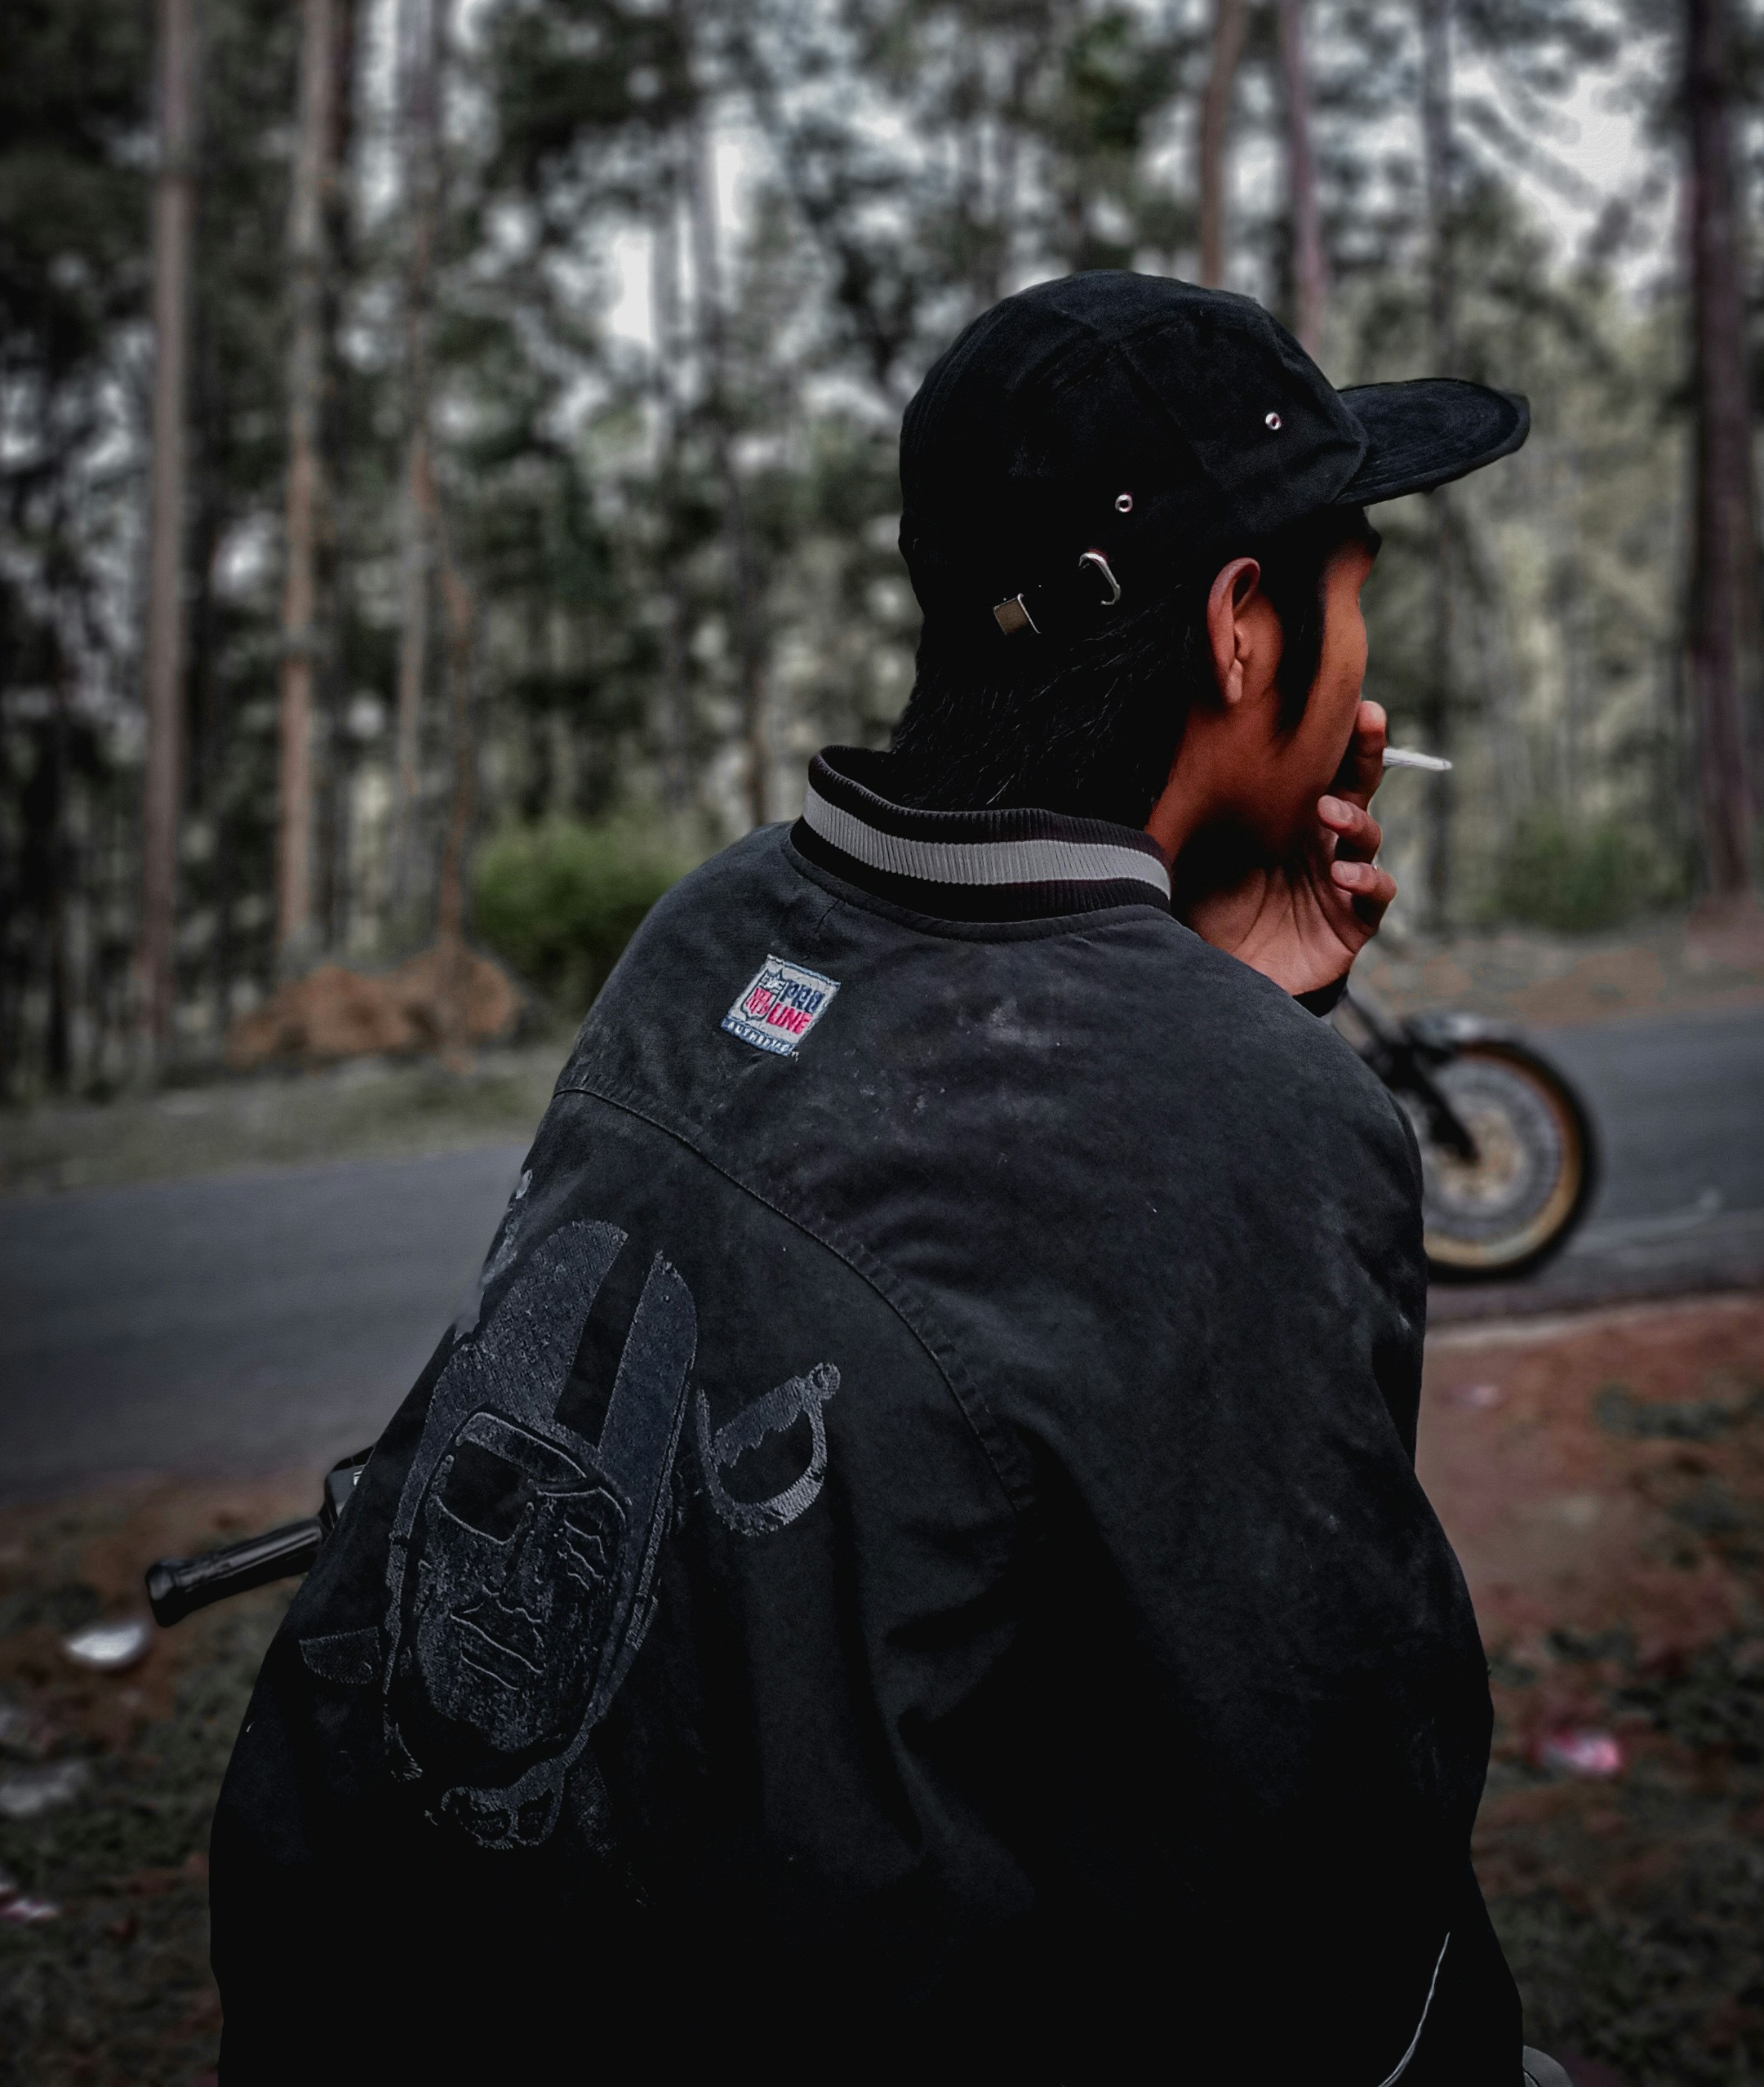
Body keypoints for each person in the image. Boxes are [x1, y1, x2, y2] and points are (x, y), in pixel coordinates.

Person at [211, 269, 1570, 2085]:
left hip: (368, 1977)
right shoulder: (1248, 1118)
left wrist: (1211, 1003)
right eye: (1351, 606)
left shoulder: (721, 922)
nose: (1365, 674)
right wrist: (1233, 1056)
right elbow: (1327, 1852)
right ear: (1245, 631)